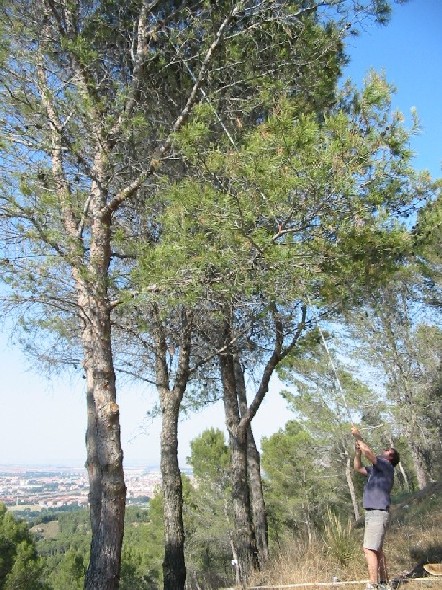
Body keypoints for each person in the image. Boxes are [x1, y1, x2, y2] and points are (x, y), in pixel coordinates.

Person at [351, 426, 400, 590]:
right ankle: (384, 583)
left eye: (387, 450)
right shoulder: (377, 470)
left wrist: (359, 437)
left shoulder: (386, 466)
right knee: (377, 549)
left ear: (390, 457)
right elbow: (358, 468)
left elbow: (368, 453)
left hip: (377, 512)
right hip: (374, 512)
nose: (384, 450)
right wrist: (357, 452)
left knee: (369, 549)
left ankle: (373, 584)